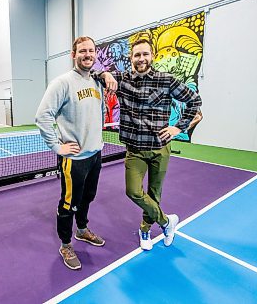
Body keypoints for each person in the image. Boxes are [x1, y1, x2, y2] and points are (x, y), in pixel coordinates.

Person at [100, 38, 202, 250]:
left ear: (152, 56)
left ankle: (145, 229)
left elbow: (194, 101)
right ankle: (167, 221)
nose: (141, 59)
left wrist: (178, 127)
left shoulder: (167, 80)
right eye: (137, 55)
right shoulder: (122, 79)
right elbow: (96, 75)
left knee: (154, 193)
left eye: (145, 54)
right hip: (135, 150)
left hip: (160, 148)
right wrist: (105, 73)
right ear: (131, 58)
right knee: (133, 191)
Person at [35, 36, 117, 270]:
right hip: (74, 159)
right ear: (74, 54)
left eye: (91, 51)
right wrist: (57, 147)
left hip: (95, 155)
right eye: (82, 51)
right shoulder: (62, 83)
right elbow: (42, 116)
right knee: (68, 203)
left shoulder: (97, 82)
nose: (87, 55)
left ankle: (81, 230)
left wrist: (105, 74)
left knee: (88, 197)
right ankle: (65, 243)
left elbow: (102, 91)